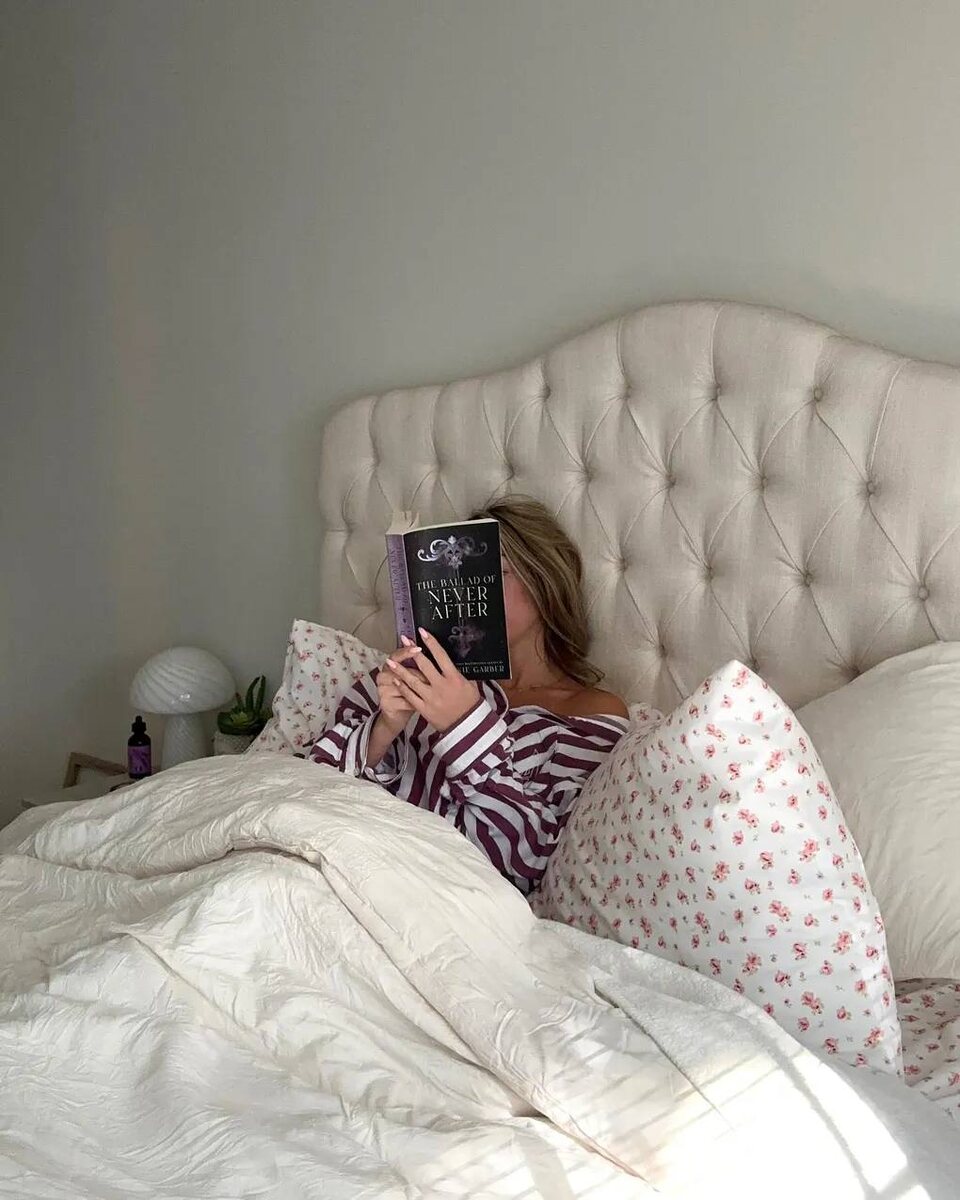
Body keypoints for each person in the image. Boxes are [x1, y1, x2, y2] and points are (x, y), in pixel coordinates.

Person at [306, 496, 630, 895]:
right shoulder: (413, 676)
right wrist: (384, 729)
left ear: (543, 583)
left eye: (495, 571)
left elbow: (529, 861)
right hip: (348, 868)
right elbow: (312, 786)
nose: (469, 592)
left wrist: (464, 726)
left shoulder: (591, 711)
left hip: (449, 899)